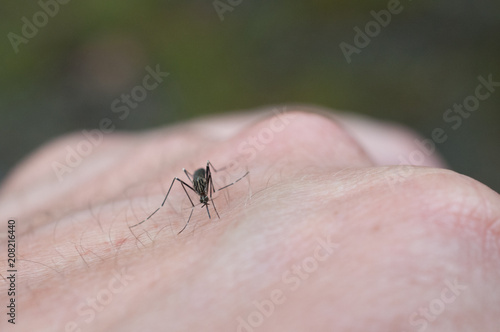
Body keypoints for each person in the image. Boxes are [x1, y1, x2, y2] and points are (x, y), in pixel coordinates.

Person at [1, 106, 498, 332]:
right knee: (186, 186)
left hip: (211, 177)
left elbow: (206, 176)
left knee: (208, 184)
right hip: (194, 181)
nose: (201, 195)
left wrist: (216, 195)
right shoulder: (188, 185)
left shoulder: (208, 182)